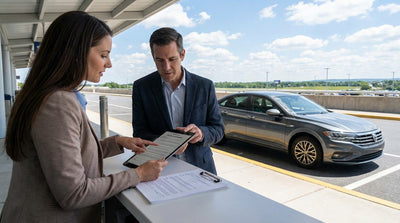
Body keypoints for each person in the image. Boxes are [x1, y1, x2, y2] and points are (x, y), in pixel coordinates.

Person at [1, 11, 168, 222]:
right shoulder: (58, 103)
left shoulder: (49, 95)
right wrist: (139, 175)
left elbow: (68, 155)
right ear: (76, 52)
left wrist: (116, 142)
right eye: (103, 54)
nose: (109, 64)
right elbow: (73, 193)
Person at [132, 27, 224, 175]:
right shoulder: (141, 87)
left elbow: (218, 130)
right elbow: (139, 132)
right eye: (159, 60)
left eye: (172, 59)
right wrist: (166, 145)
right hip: (161, 170)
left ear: (182, 54)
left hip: (201, 168)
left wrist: (201, 133)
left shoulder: (204, 86)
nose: (166, 67)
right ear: (152, 56)